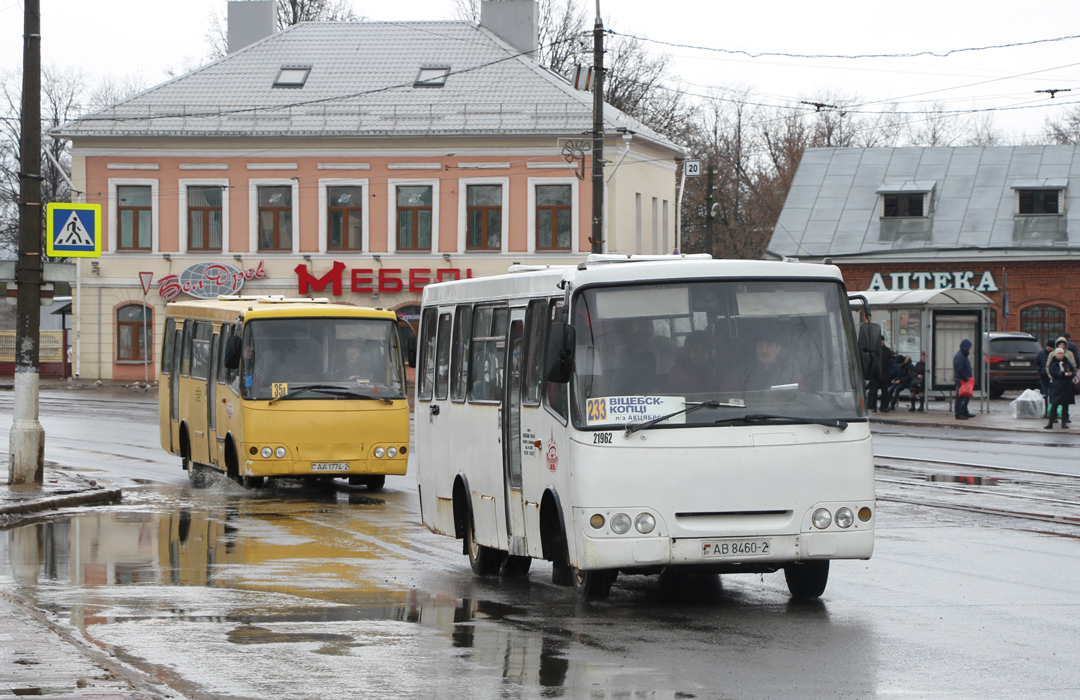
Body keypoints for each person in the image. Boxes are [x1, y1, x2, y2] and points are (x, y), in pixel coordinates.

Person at [722, 329, 801, 392]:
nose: (763, 350)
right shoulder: (740, 370)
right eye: (760, 345)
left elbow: (802, 395)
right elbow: (725, 396)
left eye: (768, 345)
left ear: (778, 348)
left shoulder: (790, 370)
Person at [1045, 346, 1075, 429]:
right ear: (1056, 354)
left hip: (1066, 387)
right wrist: (1063, 374)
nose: (1061, 355)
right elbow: (1052, 372)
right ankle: (1050, 422)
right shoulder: (1053, 362)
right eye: (1059, 353)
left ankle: (1064, 423)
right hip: (1057, 386)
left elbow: (1073, 371)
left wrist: (1071, 374)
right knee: (1054, 404)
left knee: (1065, 405)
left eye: (1062, 353)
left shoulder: (1067, 362)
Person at [953, 338, 975, 420]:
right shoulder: (960, 356)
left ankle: (964, 411)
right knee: (960, 397)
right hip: (961, 380)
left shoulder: (963, 355)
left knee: (966, 396)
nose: (969, 349)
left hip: (964, 380)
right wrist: (965, 378)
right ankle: (959, 413)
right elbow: (959, 369)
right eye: (969, 347)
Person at [1035, 339, 1054, 408]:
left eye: (1050, 347)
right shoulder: (1041, 354)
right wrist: (1039, 370)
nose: (1049, 348)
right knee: (1044, 395)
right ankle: (1045, 409)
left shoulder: (1053, 354)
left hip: (1052, 377)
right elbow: (1036, 363)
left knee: (1052, 395)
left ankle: (1051, 410)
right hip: (1043, 376)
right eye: (1048, 346)